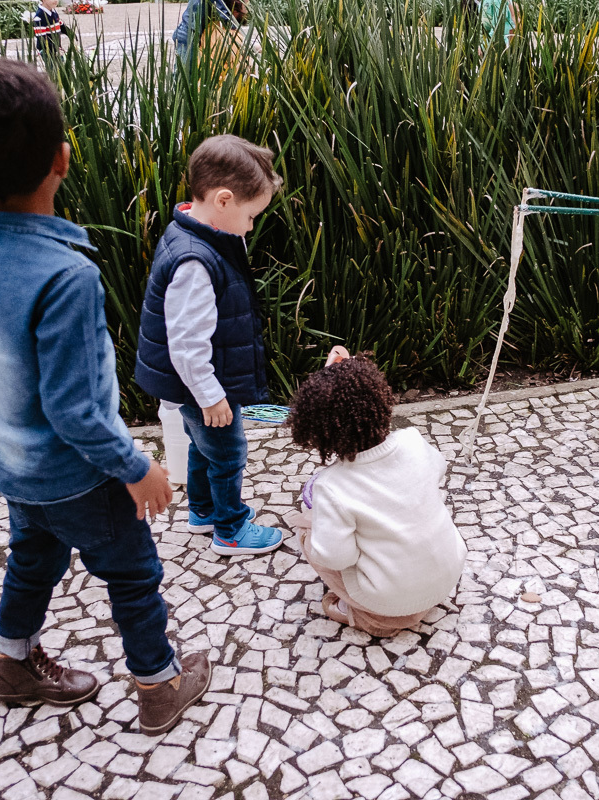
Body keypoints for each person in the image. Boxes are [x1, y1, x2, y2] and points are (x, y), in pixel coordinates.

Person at [0, 59, 210, 736]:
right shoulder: (66, 276)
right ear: (63, 158)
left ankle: (13, 662)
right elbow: (77, 411)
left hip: (15, 466)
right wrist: (136, 467)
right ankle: (158, 683)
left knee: (33, 561)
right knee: (133, 572)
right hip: (78, 476)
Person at [135, 134, 286, 556]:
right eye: (252, 215)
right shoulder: (196, 262)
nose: (252, 226)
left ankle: (202, 509)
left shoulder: (195, 231)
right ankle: (230, 529)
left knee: (204, 446)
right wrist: (211, 396)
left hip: (197, 383)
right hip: (202, 383)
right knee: (227, 451)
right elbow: (186, 343)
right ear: (223, 201)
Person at [285, 351, 467, 637]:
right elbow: (439, 469)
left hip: (388, 601)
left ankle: (369, 617)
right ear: (382, 402)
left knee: (307, 532)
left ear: (318, 433)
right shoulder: (412, 440)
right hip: (449, 574)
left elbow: (335, 557)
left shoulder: (331, 487)